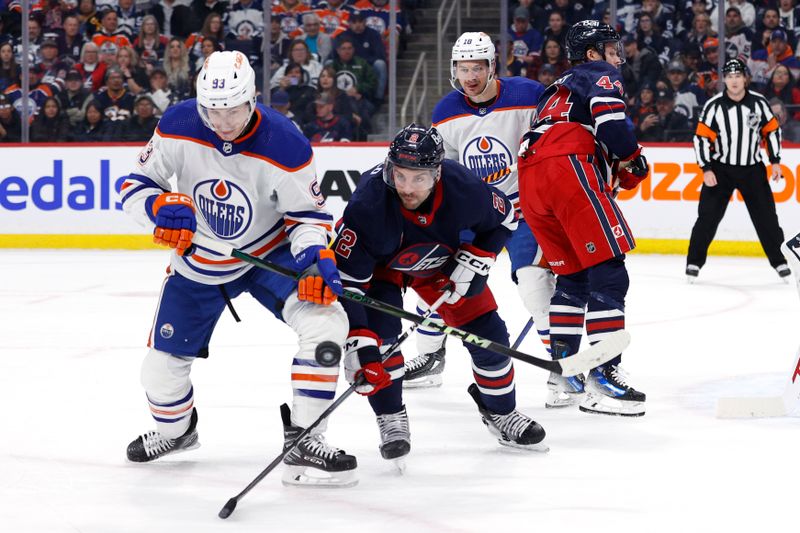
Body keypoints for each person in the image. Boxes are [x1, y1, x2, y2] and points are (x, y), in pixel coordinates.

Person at [120, 51, 358, 488]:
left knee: (327, 325)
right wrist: (158, 207)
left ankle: (307, 435)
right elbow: (135, 184)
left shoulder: (285, 142)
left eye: (231, 110)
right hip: (200, 260)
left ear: (251, 99)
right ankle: (177, 432)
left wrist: (314, 256)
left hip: (269, 255)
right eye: (212, 110)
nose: (223, 121)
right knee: (157, 371)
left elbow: (307, 217)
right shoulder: (178, 124)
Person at [331, 124, 547, 464]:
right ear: (389, 167)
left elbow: (505, 217)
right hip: (380, 271)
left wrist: (481, 256)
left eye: (418, 178)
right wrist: (359, 337)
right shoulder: (368, 204)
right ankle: (391, 418)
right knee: (381, 344)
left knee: (490, 336)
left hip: (438, 262)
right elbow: (350, 285)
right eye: (399, 176)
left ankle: (501, 412)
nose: (406, 187)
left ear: (437, 173)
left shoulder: (462, 188)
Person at [404, 32, 552, 397]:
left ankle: (565, 365)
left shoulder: (528, 95)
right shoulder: (447, 111)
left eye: (477, 67)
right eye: (463, 68)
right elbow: (447, 172)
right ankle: (429, 355)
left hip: (524, 210)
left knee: (534, 285)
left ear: (492, 67)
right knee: (441, 276)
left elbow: (556, 140)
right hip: (477, 213)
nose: (470, 76)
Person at [518, 20, 649, 417]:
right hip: (567, 169)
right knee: (609, 271)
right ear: (592, 53)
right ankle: (602, 376)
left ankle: (565, 376)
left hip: (532, 181)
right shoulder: (601, 74)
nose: (616, 56)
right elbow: (613, 129)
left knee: (572, 277)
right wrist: (632, 155)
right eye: (610, 48)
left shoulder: (552, 91)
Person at [688, 58, 790, 282]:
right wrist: (706, 168)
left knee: (767, 219)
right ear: (724, 79)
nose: (734, 81)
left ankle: (780, 261)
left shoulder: (759, 103)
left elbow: (772, 131)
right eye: (730, 76)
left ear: (745, 78)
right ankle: (693, 263)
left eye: (738, 76)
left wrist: (775, 161)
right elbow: (701, 139)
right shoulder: (714, 105)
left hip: (752, 170)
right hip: (720, 169)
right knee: (707, 217)